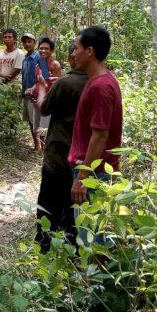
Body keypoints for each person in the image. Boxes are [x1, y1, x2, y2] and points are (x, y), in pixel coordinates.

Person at [68, 26, 123, 247]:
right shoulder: (100, 80)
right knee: (93, 236)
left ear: (89, 51)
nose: (73, 53)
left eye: (77, 48)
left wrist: (82, 179)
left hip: (95, 174)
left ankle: (95, 281)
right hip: (94, 172)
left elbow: (100, 136)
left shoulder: (101, 86)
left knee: (92, 240)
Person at [35, 42, 88, 253]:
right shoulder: (99, 81)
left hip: (58, 154)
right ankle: (73, 249)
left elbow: (44, 108)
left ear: (73, 57)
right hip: (85, 159)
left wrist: (41, 86)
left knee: (48, 206)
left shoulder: (66, 83)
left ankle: (46, 247)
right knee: (74, 208)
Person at [29, 37, 63, 128]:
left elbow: (58, 86)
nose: (43, 50)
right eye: (41, 48)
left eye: (46, 48)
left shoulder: (54, 64)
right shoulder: (37, 65)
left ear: (51, 51)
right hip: (37, 102)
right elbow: (38, 82)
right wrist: (32, 88)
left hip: (48, 104)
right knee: (38, 131)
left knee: (45, 130)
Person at [20, 33, 42, 152]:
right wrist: (22, 94)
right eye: (25, 42)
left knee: (39, 121)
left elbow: (43, 76)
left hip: (37, 95)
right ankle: (36, 146)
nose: (27, 44)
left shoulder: (38, 57)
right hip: (27, 95)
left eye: (30, 41)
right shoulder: (25, 59)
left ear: (34, 43)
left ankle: (42, 147)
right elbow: (24, 78)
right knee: (31, 121)